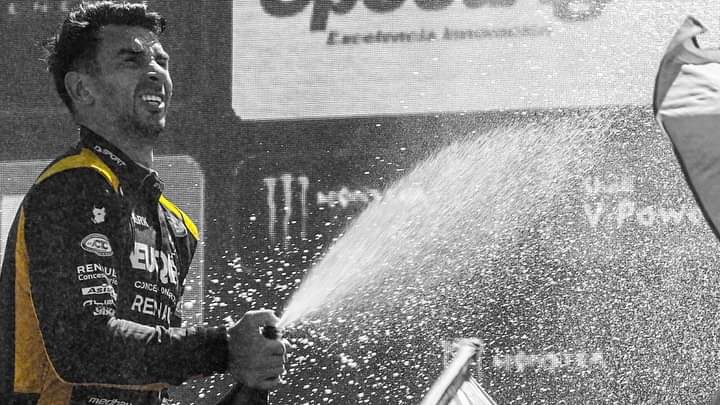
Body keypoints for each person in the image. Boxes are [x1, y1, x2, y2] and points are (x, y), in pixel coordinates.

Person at [0, 2, 287, 404]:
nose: (155, 72)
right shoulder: (73, 186)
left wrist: (252, 381)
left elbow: (149, 385)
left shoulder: (175, 226)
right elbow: (85, 348)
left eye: (161, 61)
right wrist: (224, 348)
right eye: (131, 60)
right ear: (82, 89)